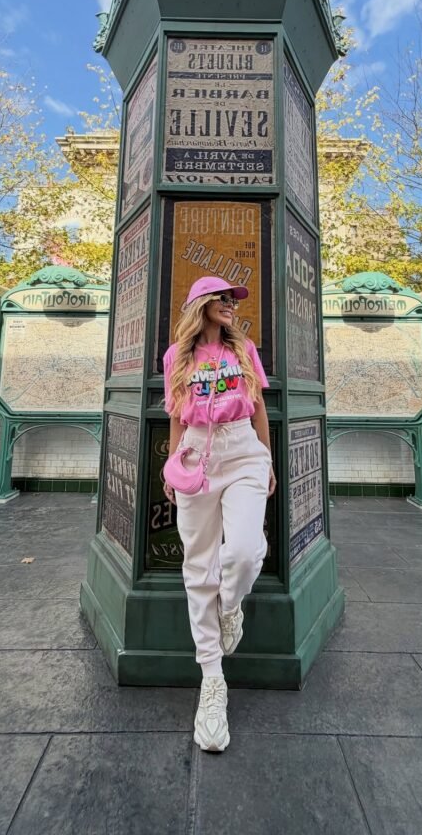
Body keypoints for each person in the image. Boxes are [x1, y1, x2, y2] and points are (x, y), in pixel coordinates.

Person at [163, 276, 276, 753]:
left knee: (246, 552)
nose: (231, 306)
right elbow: (175, 415)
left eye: (233, 301)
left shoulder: (244, 349)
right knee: (199, 567)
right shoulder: (178, 357)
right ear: (202, 305)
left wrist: (266, 459)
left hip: (243, 451)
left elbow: (260, 411)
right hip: (195, 457)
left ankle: (232, 609)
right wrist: (171, 467)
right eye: (223, 300)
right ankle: (212, 681)